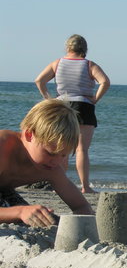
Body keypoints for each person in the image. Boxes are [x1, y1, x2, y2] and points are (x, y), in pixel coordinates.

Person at [35, 34, 110, 193]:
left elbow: (39, 80)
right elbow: (105, 82)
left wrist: (49, 99)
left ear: (67, 47)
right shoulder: (89, 65)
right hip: (84, 105)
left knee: (62, 148)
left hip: (62, 105)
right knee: (82, 149)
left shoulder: (57, 63)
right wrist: (95, 98)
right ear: (84, 48)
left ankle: (60, 184)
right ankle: (85, 186)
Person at [0, 99, 93, 227]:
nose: (56, 162)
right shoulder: (3, 147)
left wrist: (85, 227)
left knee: (48, 220)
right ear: (29, 134)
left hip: (5, 191)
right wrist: (21, 212)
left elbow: (81, 206)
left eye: (63, 155)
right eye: (51, 153)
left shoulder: (51, 168)